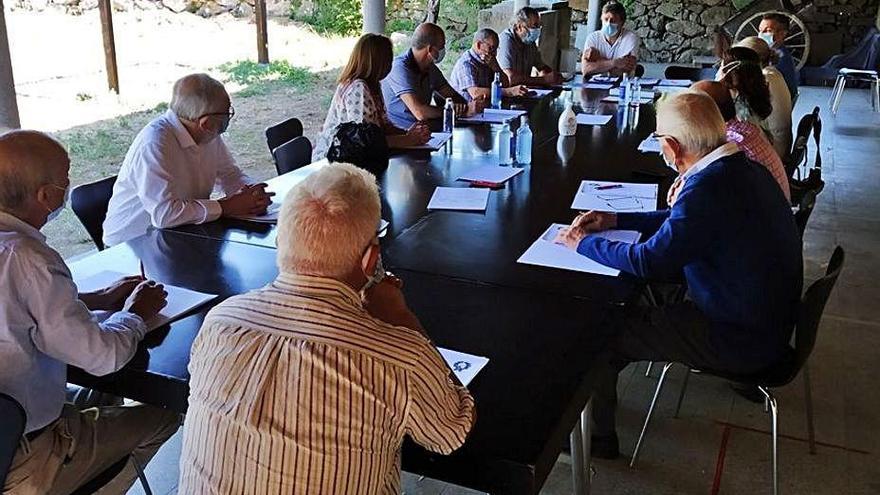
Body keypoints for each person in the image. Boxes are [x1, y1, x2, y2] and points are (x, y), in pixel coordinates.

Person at [179, 162, 475, 494]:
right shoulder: (400, 356)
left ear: (283, 240)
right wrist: (402, 319)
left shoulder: (221, 321)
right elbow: (451, 433)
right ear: (370, 260)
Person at [555, 92, 802, 458]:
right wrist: (616, 220)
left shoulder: (708, 187)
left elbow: (649, 261)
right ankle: (600, 391)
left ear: (671, 147)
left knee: (601, 331)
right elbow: (682, 224)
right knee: (627, 302)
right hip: (754, 313)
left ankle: (598, 440)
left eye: (658, 142)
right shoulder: (740, 168)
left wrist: (581, 244)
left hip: (740, 336)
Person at [0, 130, 180, 494]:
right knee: (164, 416)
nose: (66, 191)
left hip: (11, 421)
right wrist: (136, 312)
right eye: (64, 182)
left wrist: (96, 298)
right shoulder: (29, 258)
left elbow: (17, 305)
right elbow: (104, 357)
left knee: (104, 395)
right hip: (22, 455)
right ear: (47, 196)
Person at [102, 73, 272, 246]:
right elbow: (165, 215)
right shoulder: (155, 142)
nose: (227, 122)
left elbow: (229, 174)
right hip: (132, 246)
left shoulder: (208, 134)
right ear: (205, 123)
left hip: (180, 233)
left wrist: (252, 194)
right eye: (226, 116)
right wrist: (228, 206)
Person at [314, 33, 431, 160]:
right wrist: (406, 140)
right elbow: (365, 141)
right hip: (335, 160)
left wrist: (409, 133)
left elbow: (382, 126)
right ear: (379, 62)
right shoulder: (357, 88)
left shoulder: (373, 85)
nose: (391, 64)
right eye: (389, 59)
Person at [689, 80, 790, 203]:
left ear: (705, 115)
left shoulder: (728, 150)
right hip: (777, 213)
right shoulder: (747, 129)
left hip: (763, 218)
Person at [381, 23, 483, 129]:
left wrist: (470, 105)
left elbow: (451, 95)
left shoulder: (430, 68)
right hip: (402, 133)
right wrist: (453, 110)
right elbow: (420, 112)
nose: (443, 50)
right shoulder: (399, 68)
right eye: (441, 47)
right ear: (430, 49)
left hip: (424, 130)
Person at [732, 38, 794, 159]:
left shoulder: (765, 80)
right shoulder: (772, 74)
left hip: (774, 152)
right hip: (779, 147)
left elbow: (778, 130)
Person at [449, 28, 530, 102]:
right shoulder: (466, 63)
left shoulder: (488, 61)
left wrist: (496, 67)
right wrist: (508, 92)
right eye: (491, 48)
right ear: (479, 45)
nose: (494, 53)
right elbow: (475, 93)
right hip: (466, 111)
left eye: (496, 49)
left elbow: (505, 84)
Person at [498, 7, 563, 86]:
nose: (537, 30)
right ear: (519, 27)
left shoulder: (529, 42)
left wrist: (552, 75)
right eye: (534, 26)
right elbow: (510, 78)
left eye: (539, 26)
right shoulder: (506, 41)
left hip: (522, 91)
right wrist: (543, 80)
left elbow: (541, 67)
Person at [580, 1, 640, 77]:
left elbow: (625, 71)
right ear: (601, 19)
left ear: (622, 22)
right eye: (606, 19)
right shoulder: (593, 38)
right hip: (595, 85)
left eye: (613, 21)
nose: (608, 23)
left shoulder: (631, 38)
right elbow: (586, 69)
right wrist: (615, 63)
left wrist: (598, 61)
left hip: (621, 85)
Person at [758, 13, 798, 102]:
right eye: (760, 30)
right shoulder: (775, 51)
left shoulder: (779, 58)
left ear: (782, 34)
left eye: (767, 31)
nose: (761, 34)